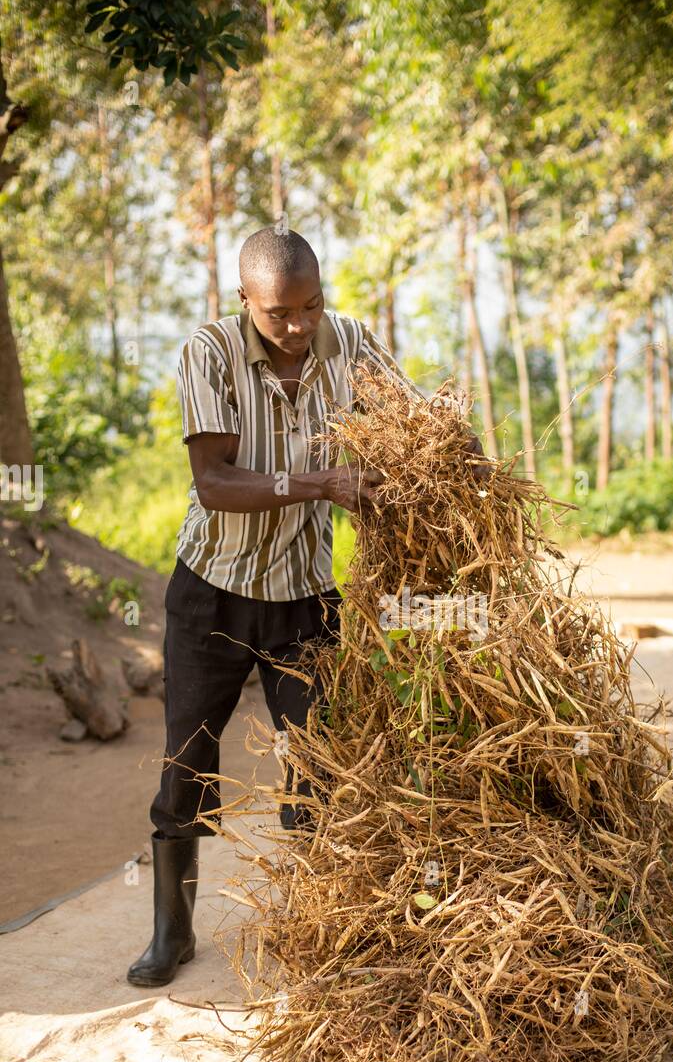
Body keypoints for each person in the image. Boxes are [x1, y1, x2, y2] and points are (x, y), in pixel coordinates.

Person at [128, 226, 451, 988]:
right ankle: (171, 934)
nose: (301, 327)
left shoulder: (350, 341)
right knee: (186, 765)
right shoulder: (208, 352)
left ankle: (317, 930)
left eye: (312, 306)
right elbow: (215, 483)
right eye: (280, 314)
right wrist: (320, 483)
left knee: (319, 767)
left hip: (305, 598)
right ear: (245, 302)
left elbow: (415, 430)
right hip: (211, 593)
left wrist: (446, 432)